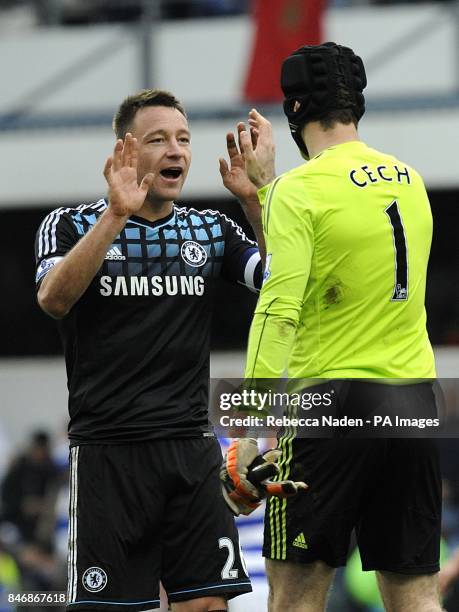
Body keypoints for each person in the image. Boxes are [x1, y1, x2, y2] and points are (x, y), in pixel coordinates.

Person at [34, 88, 272, 612]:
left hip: (190, 448)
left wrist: (255, 202)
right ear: (125, 150)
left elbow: (280, 281)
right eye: (158, 139)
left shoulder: (210, 229)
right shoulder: (70, 224)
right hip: (108, 453)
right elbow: (53, 299)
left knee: (208, 605)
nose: (176, 151)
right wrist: (116, 216)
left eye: (183, 140)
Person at [223, 43, 443, 611]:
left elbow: (279, 311)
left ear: (293, 112)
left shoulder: (301, 190)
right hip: (415, 401)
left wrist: (247, 431)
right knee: (416, 594)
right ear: (356, 107)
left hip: (330, 405)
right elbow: (343, 261)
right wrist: (268, 193)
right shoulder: (411, 181)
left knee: (295, 595)